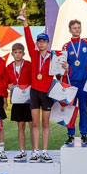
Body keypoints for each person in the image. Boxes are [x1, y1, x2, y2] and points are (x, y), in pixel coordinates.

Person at [21, 10, 54, 163]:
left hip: (47, 93)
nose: (41, 44)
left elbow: (62, 70)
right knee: (34, 123)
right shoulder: (34, 55)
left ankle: (45, 152)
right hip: (34, 92)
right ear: (37, 43)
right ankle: (35, 152)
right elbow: (27, 38)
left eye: (44, 41)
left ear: (48, 43)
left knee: (45, 123)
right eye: (39, 41)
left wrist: (65, 67)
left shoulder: (54, 56)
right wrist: (25, 21)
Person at [61, 19, 87, 146]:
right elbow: (61, 63)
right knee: (70, 108)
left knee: (83, 108)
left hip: (84, 82)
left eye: (78, 27)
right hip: (71, 82)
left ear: (81, 29)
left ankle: (84, 134)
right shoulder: (66, 46)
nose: (76, 29)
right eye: (74, 28)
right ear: (70, 30)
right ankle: (70, 134)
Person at [6, 42, 33, 162]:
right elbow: (5, 82)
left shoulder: (29, 65)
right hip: (16, 100)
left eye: (20, 52)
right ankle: (22, 151)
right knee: (20, 126)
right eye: (15, 52)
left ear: (23, 53)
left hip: (28, 99)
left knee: (32, 126)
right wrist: (8, 85)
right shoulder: (8, 67)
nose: (17, 54)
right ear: (12, 54)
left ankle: (34, 150)